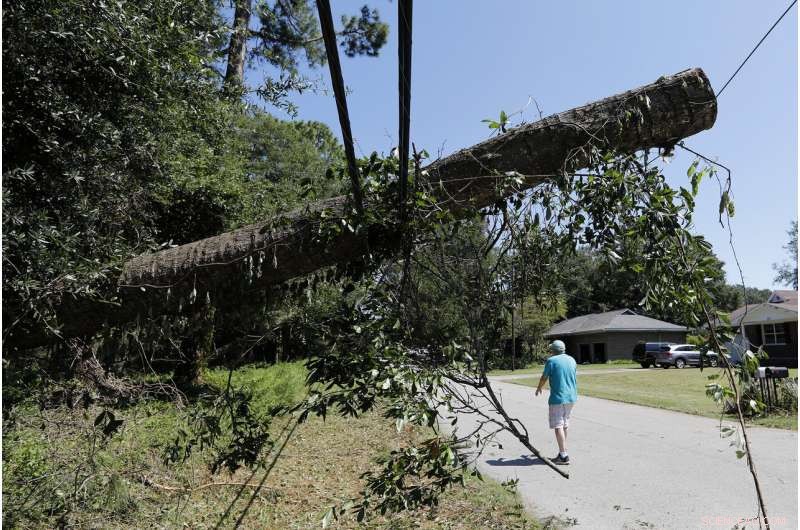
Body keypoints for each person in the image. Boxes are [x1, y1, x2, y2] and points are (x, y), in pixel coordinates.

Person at [534, 340, 577, 465]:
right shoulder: (572, 360)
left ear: (553, 350)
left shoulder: (551, 361)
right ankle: (562, 451)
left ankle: (563, 456)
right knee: (564, 424)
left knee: (558, 425)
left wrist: (539, 387)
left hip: (558, 398)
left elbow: (544, 377)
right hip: (571, 397)